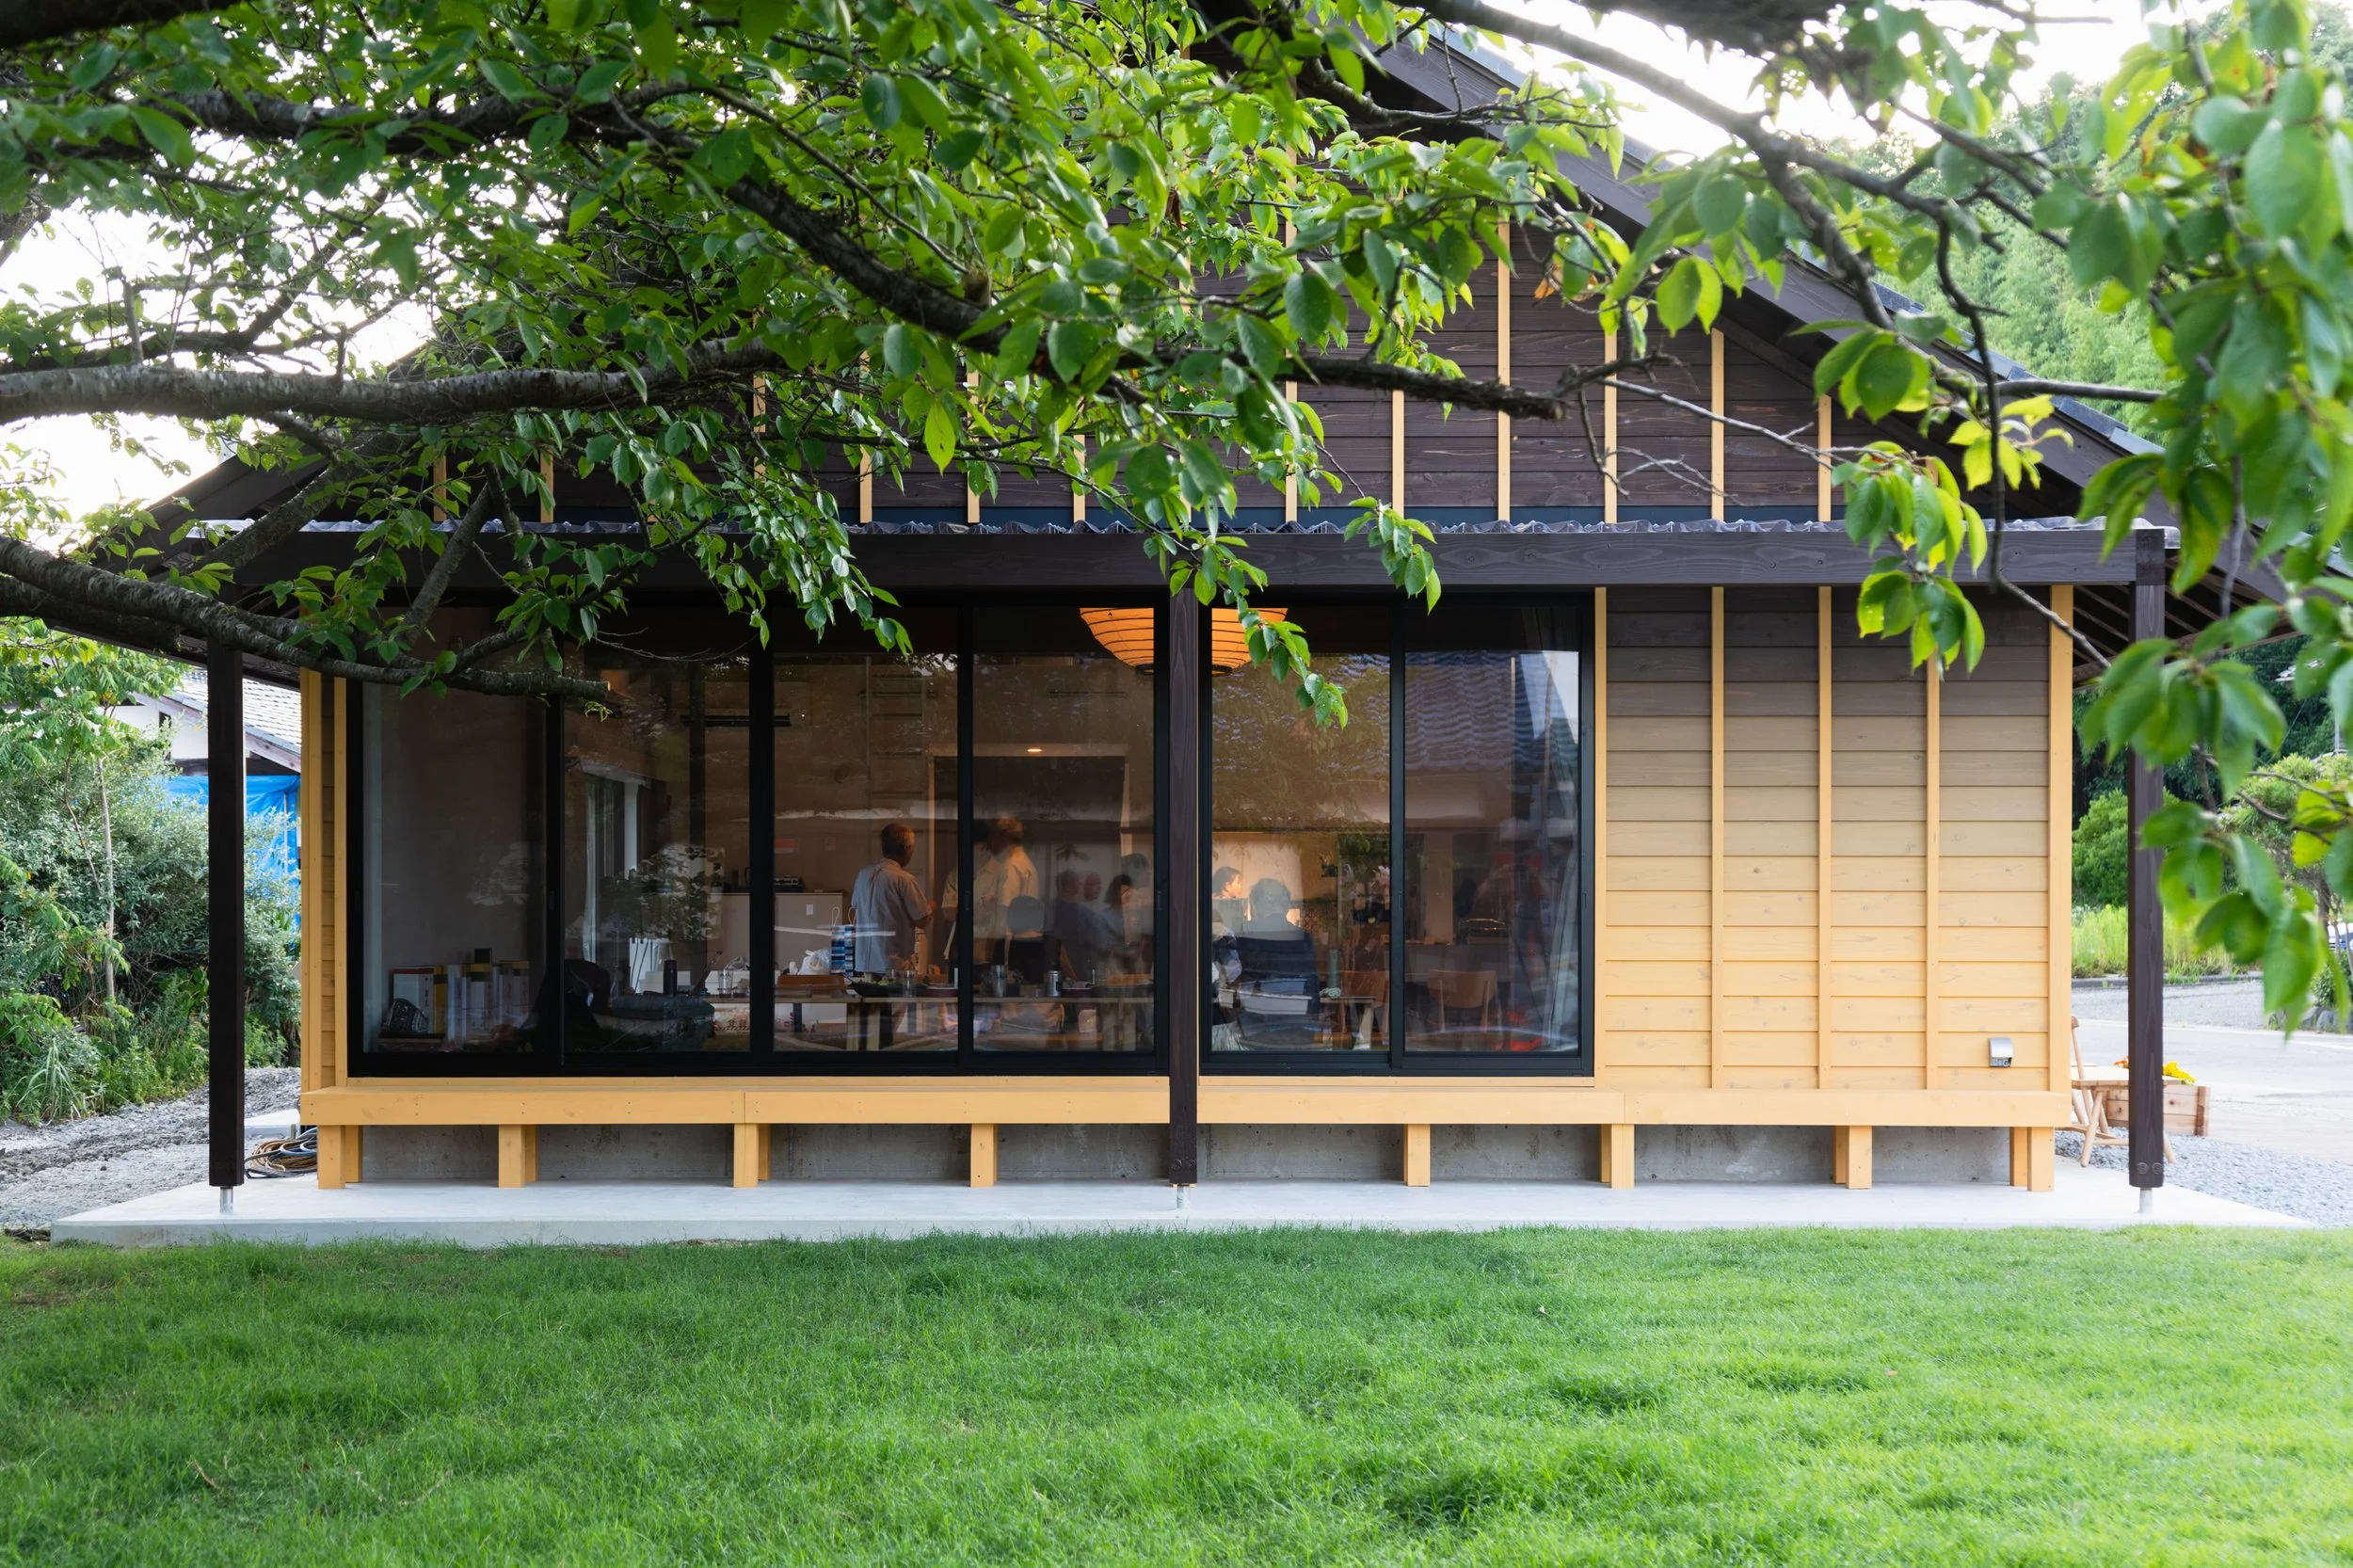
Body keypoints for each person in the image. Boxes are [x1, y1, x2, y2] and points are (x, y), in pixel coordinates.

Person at [850, 823, 934, 974]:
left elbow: (856, 906)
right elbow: (921, 919)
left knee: (869, 991)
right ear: (907, 849)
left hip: (864, 964)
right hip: (893, 965)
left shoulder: (863, 875)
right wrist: (931, 907)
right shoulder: (903, 879)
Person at [973, 814, 1040, 963]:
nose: (990, 843)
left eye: (992, 836)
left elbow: (1004, 914)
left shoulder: (1011, 866)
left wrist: (990, 950)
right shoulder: (1027, 864)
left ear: (1003, 837)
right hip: (1027, 943)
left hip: (1011, 946)